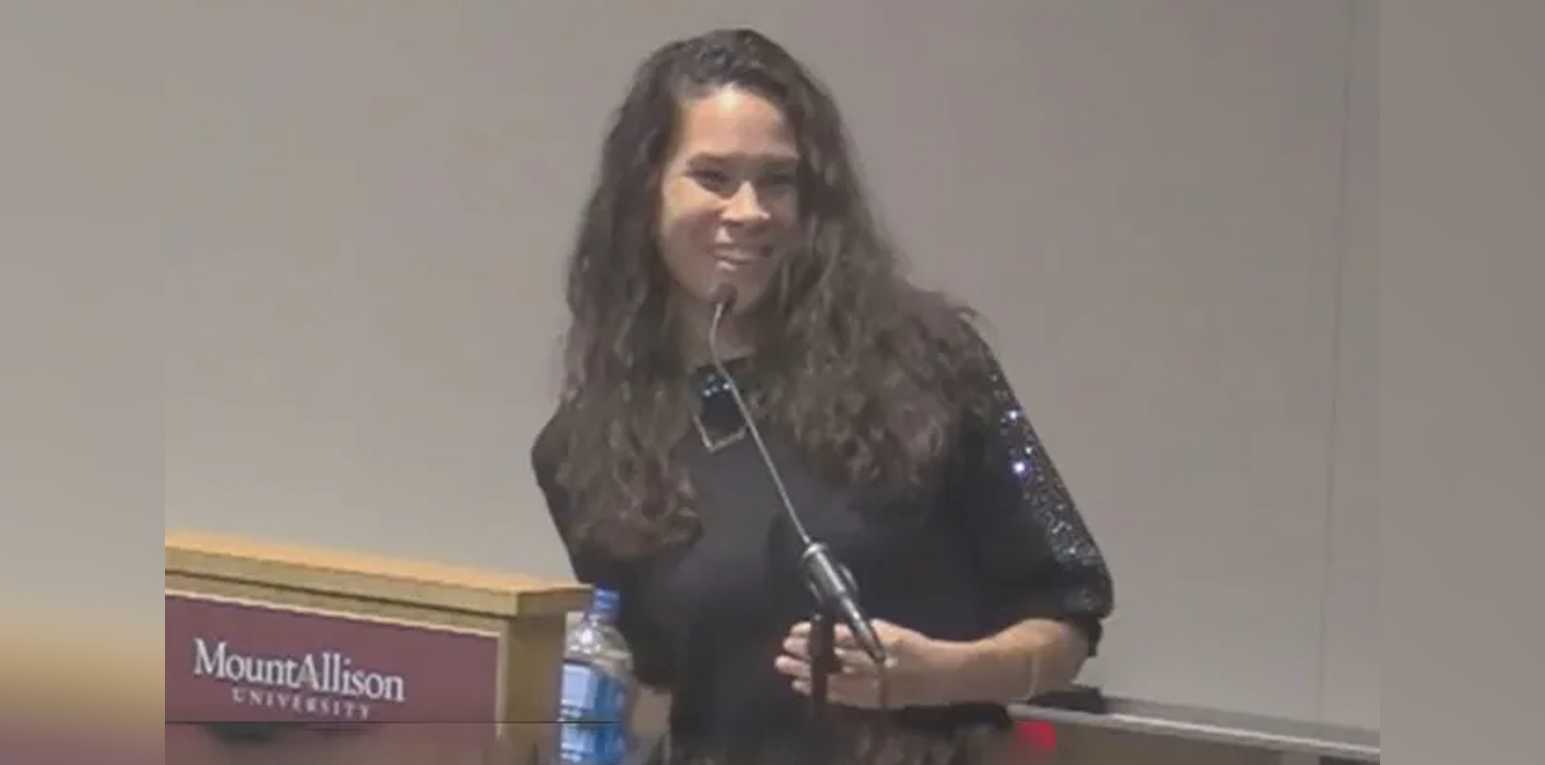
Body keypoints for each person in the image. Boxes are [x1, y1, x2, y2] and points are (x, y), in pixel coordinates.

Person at [531, 28, 1113, 764]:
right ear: (645, 195)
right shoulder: (588, 448)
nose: (748, 211)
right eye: (713, 177)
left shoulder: (925, 363)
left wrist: (939, 675)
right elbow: (649, 689)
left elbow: (1065, 620)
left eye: (777, 181)